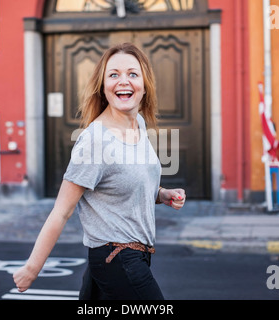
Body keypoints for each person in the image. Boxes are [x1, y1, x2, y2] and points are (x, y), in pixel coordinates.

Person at [13, 43, 186, 300]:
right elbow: (62, 211)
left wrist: (161, 194)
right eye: (113, 74)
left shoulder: (137, 124)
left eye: (132, 74)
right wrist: (32, 268)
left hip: (128, 257)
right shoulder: (95, 142)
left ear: (145, 84)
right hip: (118, 259)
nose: (123, 81)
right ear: (103, 86)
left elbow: (123, 184)